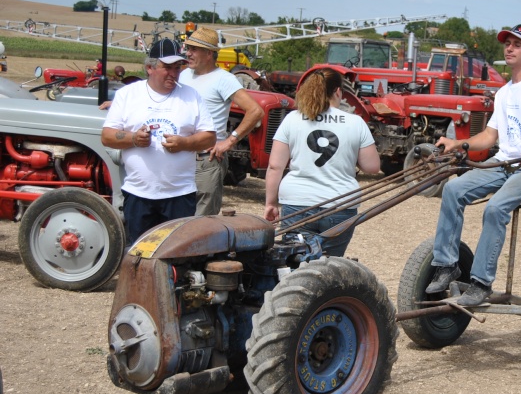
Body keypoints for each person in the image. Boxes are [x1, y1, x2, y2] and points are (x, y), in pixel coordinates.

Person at [425, 24, 521, 306]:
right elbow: (490, 136)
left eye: (518, 44)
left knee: (495, 208)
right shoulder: (504, 93)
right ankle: (447, 265)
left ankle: (481, 282)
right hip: (504, 161)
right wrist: (459, 144)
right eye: (507, 43)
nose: (510, 48)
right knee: (453, 191)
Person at [101, 39, 216, 244]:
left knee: (177, 253)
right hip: (138, 193)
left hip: (179, 194)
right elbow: (107, 136)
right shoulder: (128, 95)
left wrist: (184, 143)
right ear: (149, 68)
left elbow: (209, 137)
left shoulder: (191, 96)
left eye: (177, 67)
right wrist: (134, 139)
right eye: (167, 67)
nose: (174, 73)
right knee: (139, 252)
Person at [264, 68, 380, 257]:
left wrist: (270, 203)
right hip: (341, 204)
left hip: (297, 203)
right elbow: (372, 167)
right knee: (328, 268)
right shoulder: (355, 122)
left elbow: (275, 166)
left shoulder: (291, 119)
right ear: (337, 92)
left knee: (294, 262)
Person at [179, 26, 265, 215]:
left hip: (206, 160)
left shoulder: (223, 79)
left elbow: (255, 111)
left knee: (202, 222)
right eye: (188, 48)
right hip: (179, 157)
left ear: (209, 53)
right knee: (177, 219)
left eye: (194, 49)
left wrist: (229, 141)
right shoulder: (183, 74)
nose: (188, 53)